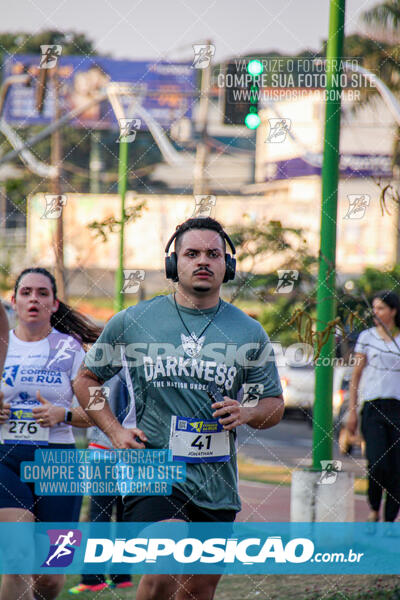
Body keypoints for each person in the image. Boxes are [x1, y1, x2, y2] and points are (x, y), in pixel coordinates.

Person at [73, 217, 284, 600]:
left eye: (213, 254)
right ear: (174, 264)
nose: (203, 261)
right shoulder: (134, 321)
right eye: (192, 253)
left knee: (199, 589)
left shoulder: (249, 331)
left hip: (216, 481)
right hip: (153, 468)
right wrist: (115, 431)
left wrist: (248, 413)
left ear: (227, 266)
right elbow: (85, 379)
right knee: (165, 565)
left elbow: (274, 404)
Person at [0, 267, 101, 600]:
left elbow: (99, 412)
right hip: (6, 457)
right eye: (26, 292)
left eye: (42, 293)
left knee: (50, 577)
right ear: (13, 301)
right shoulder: (2, 344)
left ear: (54, 304)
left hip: (59, 463)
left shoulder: (71, 349)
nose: (34, 299)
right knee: (15, 558)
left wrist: (65, 413)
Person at [68, 373, 133, 594]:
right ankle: (120, 575)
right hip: (122, 450)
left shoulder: (98, 370)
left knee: (102, 515)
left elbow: (88, 412)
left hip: (107, 451)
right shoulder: (133, 364)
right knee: (123, 514)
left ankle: (95, 577)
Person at [347, 290, 400, 522]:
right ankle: (374, 508)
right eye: (374, 308)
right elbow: (356, 376)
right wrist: (352, 411)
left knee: (397, 468)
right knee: (378, 463)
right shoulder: (367, 337)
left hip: (397, 408)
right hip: (373, 407)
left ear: (393, 311)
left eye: (381, 308)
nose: (375, 313)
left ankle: (389, 520)